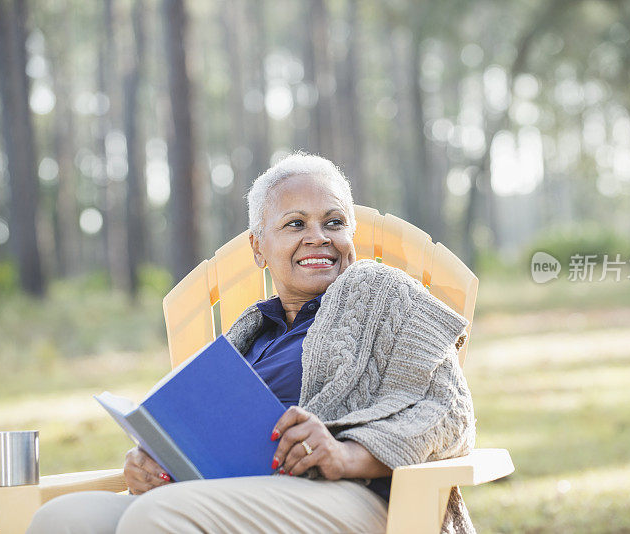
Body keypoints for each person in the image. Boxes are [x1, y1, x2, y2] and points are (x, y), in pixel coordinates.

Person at [27, 153, 476, 534]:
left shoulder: (385, 295)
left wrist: (344, 453)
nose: (318, 237)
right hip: (232, 492)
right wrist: (156, 462)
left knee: (156, 517)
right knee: (63, 519)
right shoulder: (252, 334)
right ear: (258, 247)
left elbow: (450, 415)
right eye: (295, 223)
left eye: (334, 222)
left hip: (349, 495)